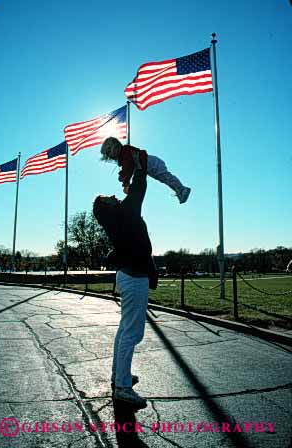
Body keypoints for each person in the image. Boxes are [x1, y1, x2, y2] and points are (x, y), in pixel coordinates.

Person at [93, 153, 156, 409]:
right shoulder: (124, 215)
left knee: (125, 331)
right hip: (134, 277)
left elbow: (132, 198)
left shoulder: (120, 217)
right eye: (111, 198)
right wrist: (139, 167)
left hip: (129, 275)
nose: (116, 197)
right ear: (109, 208)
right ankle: (122, 387)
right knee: (132, 332)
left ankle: (119, 375)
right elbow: (138, 192)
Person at [101, 136, 191, 204]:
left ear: (115, 147)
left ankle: (182, 189)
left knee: (166, 177)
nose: (110, 157)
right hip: (149, 167)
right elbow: (127, 168)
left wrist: (126, 182)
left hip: (151, 163)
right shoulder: (124, 156)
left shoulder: (125, 152)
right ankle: (180, 191)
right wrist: (122, 175)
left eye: (109, 152)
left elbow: (129, 167)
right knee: (164, 180)